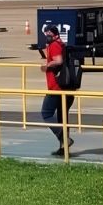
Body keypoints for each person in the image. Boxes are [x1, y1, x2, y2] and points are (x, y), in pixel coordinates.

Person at [39, 23, 75, 156]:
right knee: (62, 118)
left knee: (46, 113)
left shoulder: (55, 45)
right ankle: (64, 148)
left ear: (53, 35)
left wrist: (47, 65)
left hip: (56, 87)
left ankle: (64, 139)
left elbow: (58, 61)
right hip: (67, 88)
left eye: (48, 34)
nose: (47, 37)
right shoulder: (62, 45)